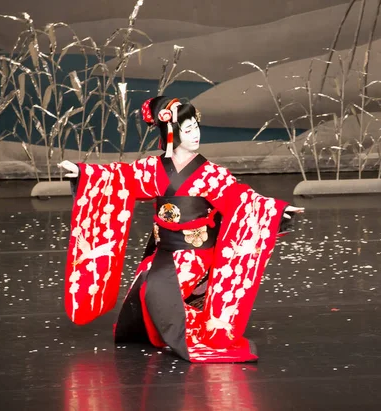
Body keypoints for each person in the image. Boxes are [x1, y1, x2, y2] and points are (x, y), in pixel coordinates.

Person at [58, 96, 303, 363]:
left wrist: (275, 210)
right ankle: (163, 334)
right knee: (142, 288)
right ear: (171, 133)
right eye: (187, 130)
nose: (195, 134)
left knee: (158, 290)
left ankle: (189, 334)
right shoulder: (153, 168)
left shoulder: (212, 174)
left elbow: (240, 198)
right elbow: (121, 177)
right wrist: (84, 174)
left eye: (196, 127)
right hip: (164, 249)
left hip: (195, 252)